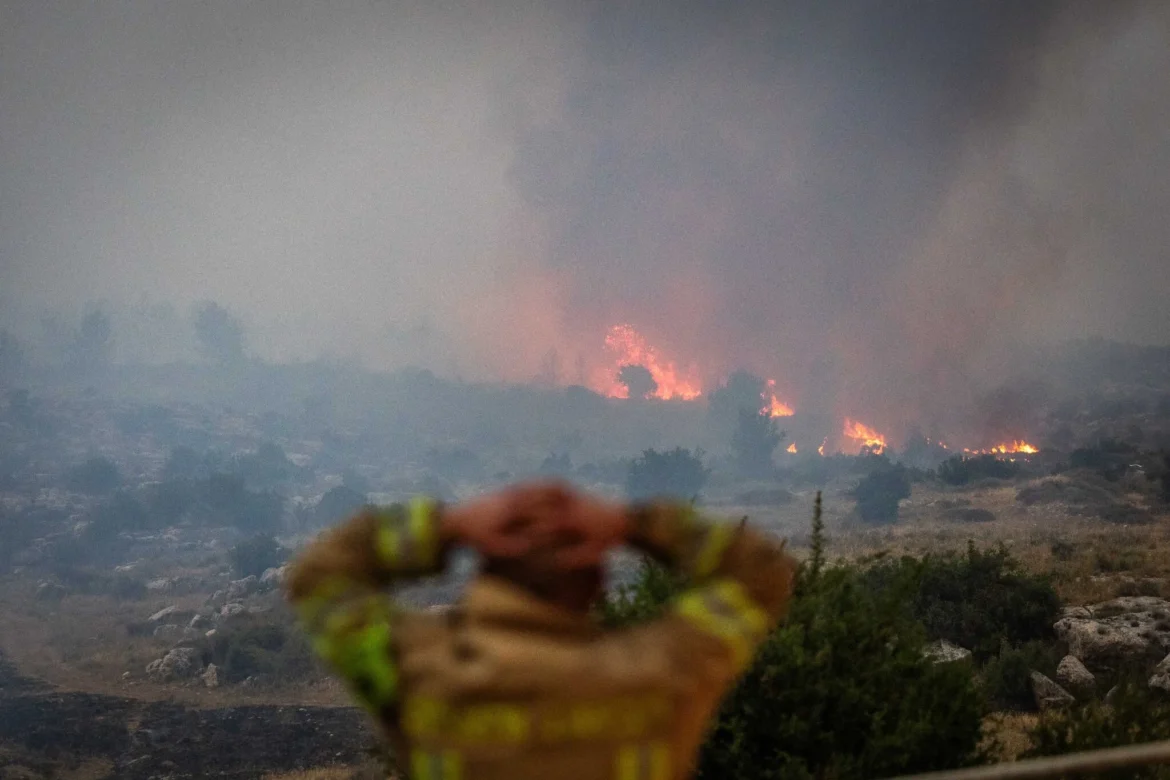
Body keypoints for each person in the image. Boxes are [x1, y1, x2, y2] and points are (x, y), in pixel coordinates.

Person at [285, 482, 798, 780]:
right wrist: (630, 524)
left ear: (482, 568)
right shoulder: (659, 674)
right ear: (598, 579)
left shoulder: (419, 672)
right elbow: (762, 575)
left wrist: (450, 526)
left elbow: (319, 579)